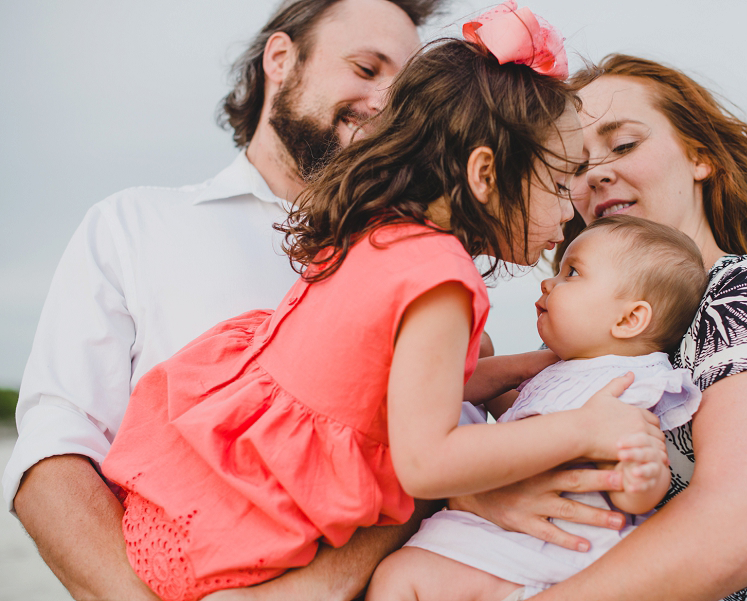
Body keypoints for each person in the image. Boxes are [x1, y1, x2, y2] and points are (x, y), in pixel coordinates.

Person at [98, 14, 661, 601]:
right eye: (558, 180)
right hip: (252, 533)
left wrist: (524, 368)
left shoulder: (382, 232)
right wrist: (584, 426)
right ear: (486, 173)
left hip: (203, 492)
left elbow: (384, 384)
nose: (570, 212)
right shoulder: (441, 277)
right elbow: (428, 459)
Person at [2, 1, 447, 599]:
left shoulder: (418, 261)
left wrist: (312, 591)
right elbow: (54, 452)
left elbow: (439, 459)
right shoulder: (133, 225)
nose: (385, 103)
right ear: (282, 59)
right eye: (367, 69)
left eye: (404, 90)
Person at [447, 54, 747, 601]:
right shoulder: (586, 327)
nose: (596, 173)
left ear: (700, 156)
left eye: (623, 146)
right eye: (574, 165)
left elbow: (746, 527)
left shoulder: (740, 294)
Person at [367, 215, 708, 601]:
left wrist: (643, 478)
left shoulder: (628, 381)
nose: (549, 282)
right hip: (491, 540)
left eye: (573, 273)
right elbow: (524, 417)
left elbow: (630, 485)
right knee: (397, 576)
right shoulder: (559, 367)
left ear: (630, 319)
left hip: (548, 556)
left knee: (400, 577)